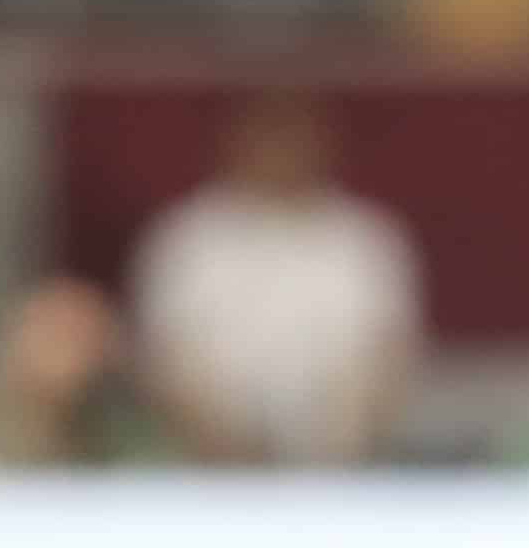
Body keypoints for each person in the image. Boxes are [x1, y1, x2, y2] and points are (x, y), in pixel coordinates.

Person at [127, 92, 424, 465]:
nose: (281, 151)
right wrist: (225, 449)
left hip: (341, 468)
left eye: (293, 137)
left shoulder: (368, 240)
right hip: (209, 470)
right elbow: (165, 360)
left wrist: (335, 451)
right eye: (268, 136)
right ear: (236, 142)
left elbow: (390, 360)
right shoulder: (185, 239)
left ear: (322, 143)